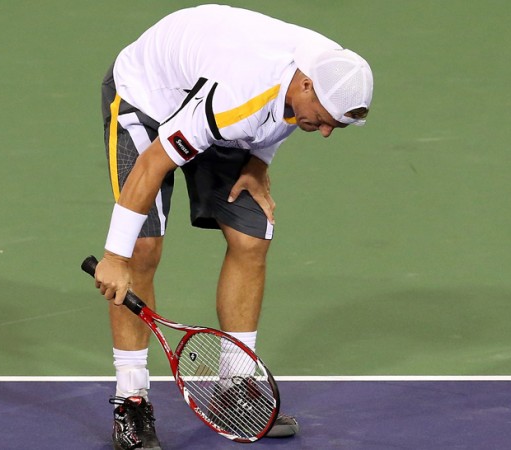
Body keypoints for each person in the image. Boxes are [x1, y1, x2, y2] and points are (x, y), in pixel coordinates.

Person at [94, 5, 373, 450]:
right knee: (141, 250)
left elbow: (284, 117)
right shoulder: (240, 95)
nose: (323, 133)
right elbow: (153, 164)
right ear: (306, 85)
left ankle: (235, 384)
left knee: (251, 236)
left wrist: (258, 162)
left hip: (213, 96)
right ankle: (131, 400)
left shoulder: (327, 71)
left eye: (334, 126)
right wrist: (114, 257)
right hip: (147, 97)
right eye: (322, 120)